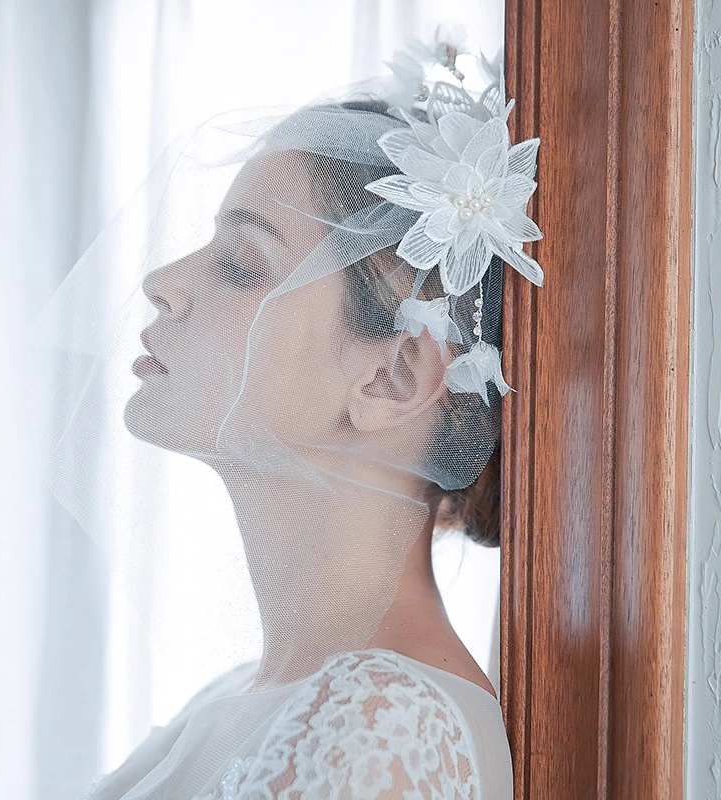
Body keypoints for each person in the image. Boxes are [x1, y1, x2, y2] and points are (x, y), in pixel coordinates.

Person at [31, 31, 542, 800]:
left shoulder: (381, 731)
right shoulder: (240, 699)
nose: (163, 281)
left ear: (395, 375)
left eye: (242, 264)